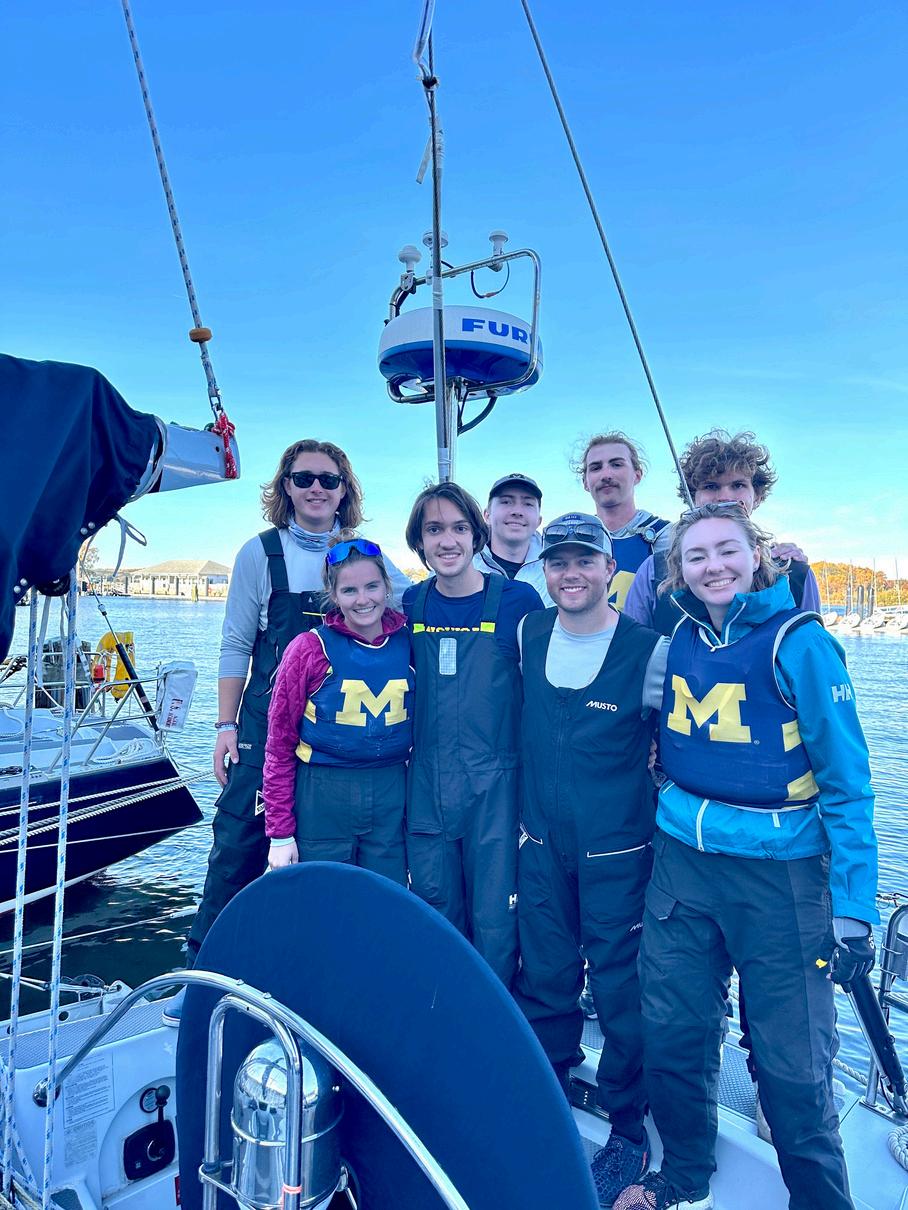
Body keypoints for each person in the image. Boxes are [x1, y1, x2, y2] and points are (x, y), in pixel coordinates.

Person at [615, 503, 878, 1210]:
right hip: (682, 867)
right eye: (696, 555)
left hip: (782, 879)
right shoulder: (676, 638)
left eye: (727, 550)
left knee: (793, 1066)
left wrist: (854, 910)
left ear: (756, 554)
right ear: (678, 569)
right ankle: (684, 1180)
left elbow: (849, 785)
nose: (714, 566)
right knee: (674, 1034)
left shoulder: (802, 644)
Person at [182, 439, 410, 968]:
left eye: (328, 480)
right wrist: (224, 726)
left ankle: (311, 969)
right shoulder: (259, 553)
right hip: (267, 727)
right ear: (286, 486)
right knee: (238, 845)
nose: (316, 489)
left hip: (334, 743)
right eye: (303, 478)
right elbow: (237, 642)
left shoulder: (367, 557)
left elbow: (413, 607)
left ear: (344, 490)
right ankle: (203, 968)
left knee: (316, 863)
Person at [512, 512, 668, 1209]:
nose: (570, 573)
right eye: (558, 562)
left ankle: (628, 1127)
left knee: (618, 990)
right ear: (544, 571)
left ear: (610, 568)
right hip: (541, 846)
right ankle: (548, 1099)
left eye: (585, 560)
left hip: (618, 850)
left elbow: (680, 743)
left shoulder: (650, 651)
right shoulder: (529, 632)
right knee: (545, 978)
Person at [403, 481, 544, 987]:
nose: (448, 541)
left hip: (496, 789)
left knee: (495, 918)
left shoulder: (518, 601)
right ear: (419, 541)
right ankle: (440, 1012)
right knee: (434, 909)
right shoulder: (411, 604)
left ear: (476, 535)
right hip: (427, 784)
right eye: (434, 529)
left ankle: (495, 1020)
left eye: (459, 528)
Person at [261, 533, 412, 883]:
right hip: (321, 798)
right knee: (322, 902)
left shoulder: (410, 643)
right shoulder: (308, 649)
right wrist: (280, 833)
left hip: (391, 798)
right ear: (333, 594)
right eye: (349, 590)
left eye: (372, 586)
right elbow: (279, 746)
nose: (363, 600)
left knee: (384, 903)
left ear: (387, 586)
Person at [625, 429, 820, 635]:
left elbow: (813, 646)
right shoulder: (654, 571)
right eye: (711, 486)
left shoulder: (796, 574)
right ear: (692, 496)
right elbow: (633, 644)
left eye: (738, 485)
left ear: (757, 496)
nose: (725, 497)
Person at [576, 432, 669, 611]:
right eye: (596, 468)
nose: (606, 474)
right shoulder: (571, 542)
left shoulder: (667, 537)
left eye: (616, 464)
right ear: (585, 482)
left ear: (637, 475)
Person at [473, 472, 550, 603]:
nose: (517, 512)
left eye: (528, 504)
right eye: (506, 502)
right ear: (487, 515)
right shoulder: (463, 563)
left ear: (539, 520)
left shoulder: (555, 567)